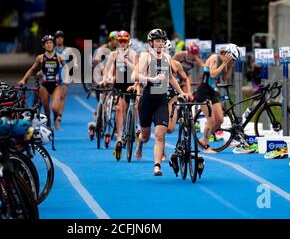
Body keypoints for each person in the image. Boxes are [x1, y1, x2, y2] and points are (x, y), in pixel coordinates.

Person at [135, 28, 192, 176]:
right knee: (146, 136)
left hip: (161, 101)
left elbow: (171, 78)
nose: (160, 44)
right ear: (151, 43)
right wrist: (152, 79)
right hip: (147, 100)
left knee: (160, 135)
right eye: (157, 41)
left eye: (162, 41)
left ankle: (157, 166)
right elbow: (135, 76)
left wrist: (182, 93)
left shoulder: (166, 58)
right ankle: (140, 142)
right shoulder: (145, 56)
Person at [193, 43, 239, 153]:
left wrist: (229, 67)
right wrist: (224, 64)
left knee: (219, 120)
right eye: (232, 59)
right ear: (228, 55)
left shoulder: (226, 62)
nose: (233, 62)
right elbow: (213, 74)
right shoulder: (214, 57)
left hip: (212, 91)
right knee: (211, 121)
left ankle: (203, 139)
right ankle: (205, 144)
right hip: (204, 90)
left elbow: (225, 78)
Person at [100, 30, 138, 158]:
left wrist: (126, 61)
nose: (122, 43)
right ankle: (119, 137)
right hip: (119, 85)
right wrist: (107, 77)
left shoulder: (132, 54)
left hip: (130, 84)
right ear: (117, 41)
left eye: (124, 41)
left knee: (130, 108)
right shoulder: (113, 54)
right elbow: (108, 69)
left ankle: (133, 128)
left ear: (128, 42)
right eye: (120, 41)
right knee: (119, 108)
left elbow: (137, 69)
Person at [18, 35, 65, 130]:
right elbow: (31, 69)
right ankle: (48, 126)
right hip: (44, 85)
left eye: (51, 43)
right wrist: (24, 79)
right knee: (47, 111)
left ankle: (56, 117)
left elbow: (67, 68)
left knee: (55, 108)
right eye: (47, 43)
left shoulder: (59, 57)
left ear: (53, 44)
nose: (49, 45)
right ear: (44, 46)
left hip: (56, 85)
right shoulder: (40, 58)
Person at [54, 30, 79, 119]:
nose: (59, 39)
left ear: (63, 39)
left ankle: (59, 114)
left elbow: (75, 56)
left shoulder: (68, 49)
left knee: (62, 95)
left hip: (65, 74)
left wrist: (75, 63)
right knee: (56, 95)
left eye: (61, 38)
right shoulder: (52, 49)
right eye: (58, 38)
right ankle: (55, 110)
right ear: (55, 39)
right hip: (54, 74)